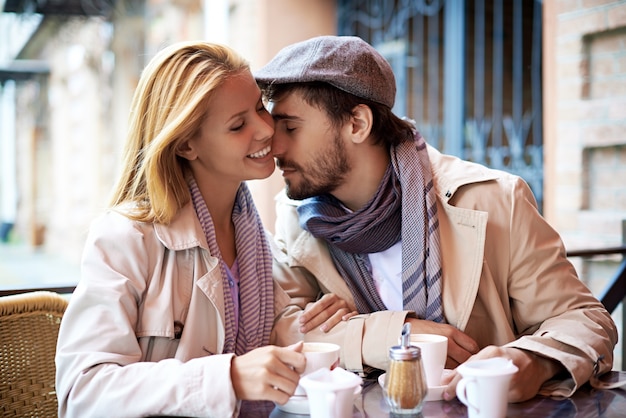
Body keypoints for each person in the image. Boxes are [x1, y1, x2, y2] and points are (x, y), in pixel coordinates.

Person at [254, 35, 618, 403]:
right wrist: (394, 333)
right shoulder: (294, 218)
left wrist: (534, 362)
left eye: (291, 128)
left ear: (357, 124)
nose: (274, 147)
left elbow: (585, 318)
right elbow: (282, 332)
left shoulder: (493, 200)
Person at [55, 40, 307, 418]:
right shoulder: (125, 238)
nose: (265, 129)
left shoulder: (254, 239)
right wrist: (229, 378)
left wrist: (379, 332)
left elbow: (286, 331)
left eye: (259, 108)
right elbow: (82, 392)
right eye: (238, 124)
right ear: (187, 144)